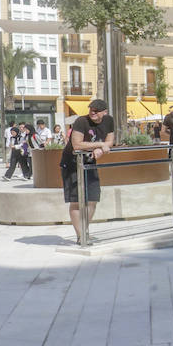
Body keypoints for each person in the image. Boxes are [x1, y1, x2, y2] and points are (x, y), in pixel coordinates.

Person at [62, 100, 115, 243]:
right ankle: (81, 236)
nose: (93, 112)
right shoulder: (81, 121)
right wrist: (99, 145)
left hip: (89, 162)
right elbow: (77, 145)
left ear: (105, 112)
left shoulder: (109, 120)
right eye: (91, 109)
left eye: (97, 110)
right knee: (76, 201)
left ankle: (84, 231)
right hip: (72, 163)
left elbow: (110, 140)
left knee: (92, 199)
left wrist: (100, 149)